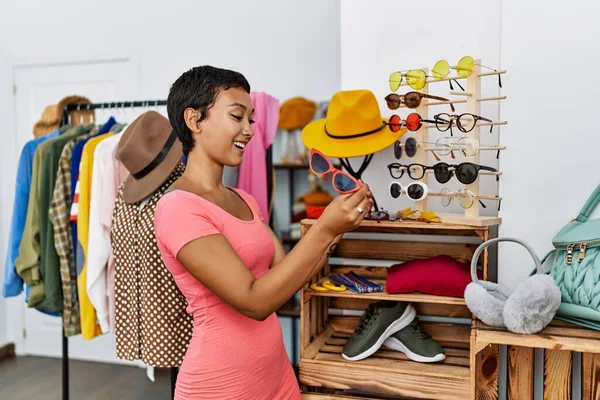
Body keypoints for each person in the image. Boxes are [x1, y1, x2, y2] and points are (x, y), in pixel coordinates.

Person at [153, 65, 374, 400]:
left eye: (251, 120)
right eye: (237, 117)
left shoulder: (243, 199)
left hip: (276, 376)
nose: (249, 130)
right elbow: (255, 301)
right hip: (219, 387)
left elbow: (288, 275)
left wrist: (338, 229)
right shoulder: (178, 209)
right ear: (194, 121)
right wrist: (325, 226)